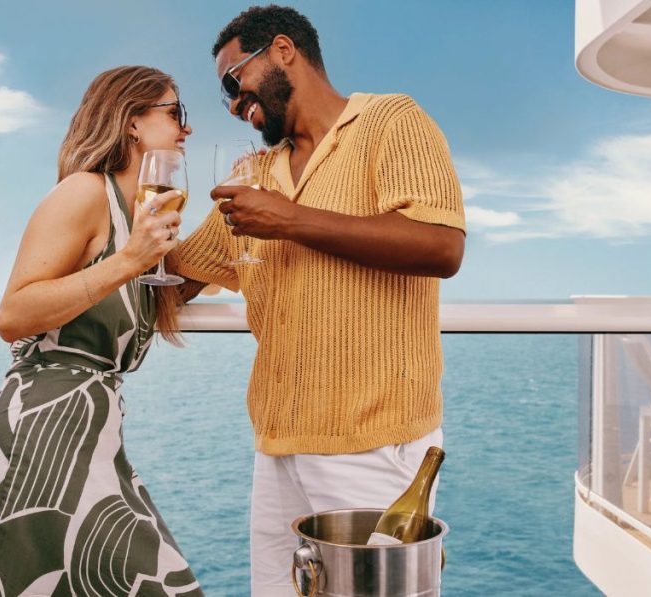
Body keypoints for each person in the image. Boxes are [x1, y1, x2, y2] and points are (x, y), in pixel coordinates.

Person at [171, 6, 466, 595]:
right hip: (277, 447)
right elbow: (177, 274)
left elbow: (442, 246)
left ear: (283, 51)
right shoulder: (254, 171)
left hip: (375, 442)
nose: (231, 105)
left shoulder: (390, 121)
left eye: (234, 82)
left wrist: (292, 220)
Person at [0, 65, 203, 597]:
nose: (187, 129)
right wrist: (130, 260)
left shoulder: (140, 219)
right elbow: (13, 314)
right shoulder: (84, 194)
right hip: (40, 439)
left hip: (88, 438)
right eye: (176, 113)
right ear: (132, 122)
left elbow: (168, 288)